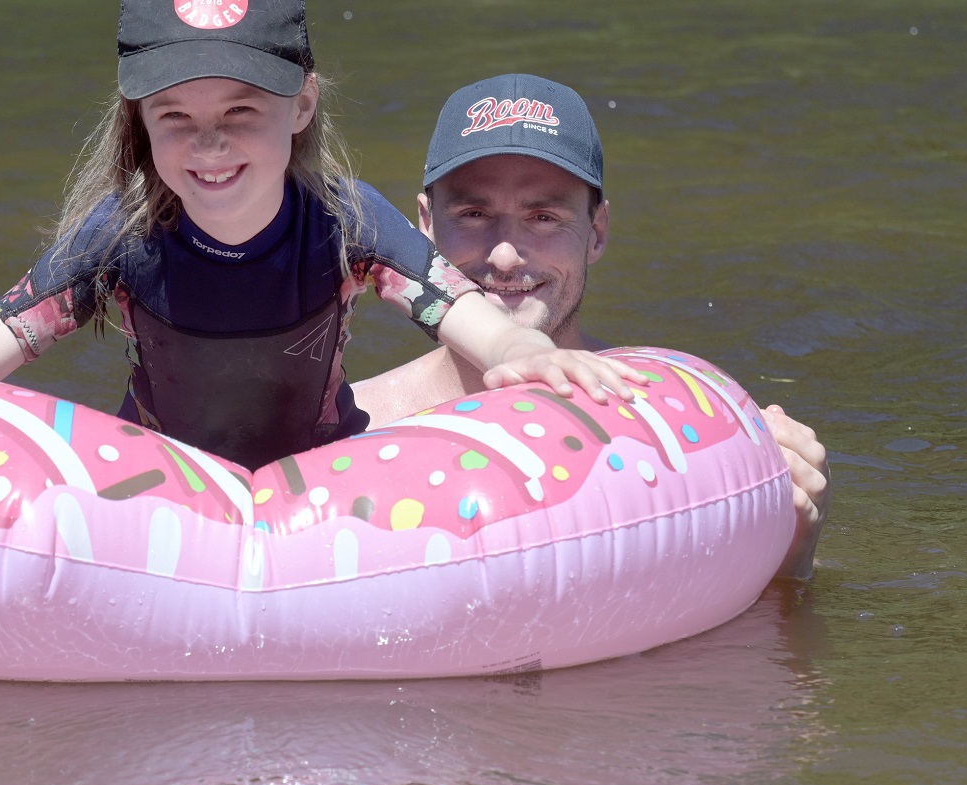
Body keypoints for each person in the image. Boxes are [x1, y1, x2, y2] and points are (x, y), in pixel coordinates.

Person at [0, 0, 640, 471]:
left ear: (301, 105)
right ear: (140, 122)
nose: (210, 145)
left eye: (241, 111)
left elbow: (477, 325)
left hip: (324, 484)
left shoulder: (347, 222)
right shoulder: (118, 236)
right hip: (161, 487)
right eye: (176, 117)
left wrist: (527, 351)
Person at [352, 74, 832, 580]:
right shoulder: (353, 426)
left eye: (542, 217)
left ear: (597, 231)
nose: (505, 255)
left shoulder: (672, 423)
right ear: (424, 227)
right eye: (474, 213)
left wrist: (791, 558)